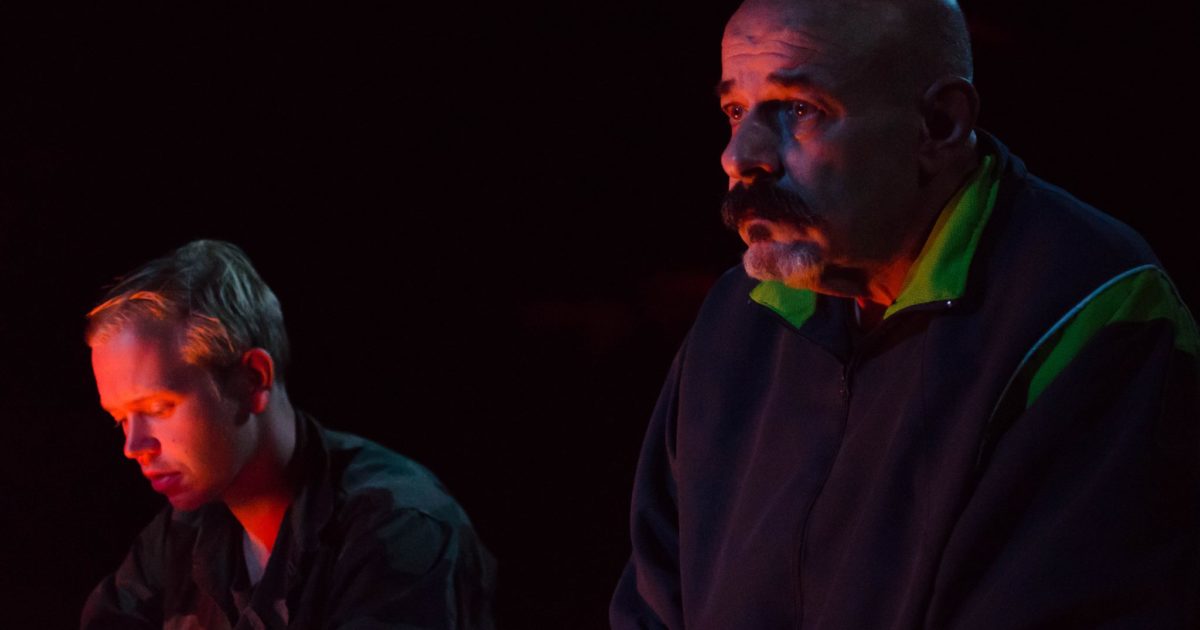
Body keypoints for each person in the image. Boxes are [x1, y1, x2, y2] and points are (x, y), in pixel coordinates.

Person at [611, 0, 1200, 628]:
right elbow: (652, 599)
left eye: (800, 108)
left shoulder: (1091, 311)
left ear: (940, 124)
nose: (739, 155)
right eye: (735, 110)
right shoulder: (738, 317)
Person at [80, 240, 495, 629]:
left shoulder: (401, 528)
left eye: (157, 408)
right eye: (120, 419)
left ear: (253, 379)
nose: (133, 446)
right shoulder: (180, 536)